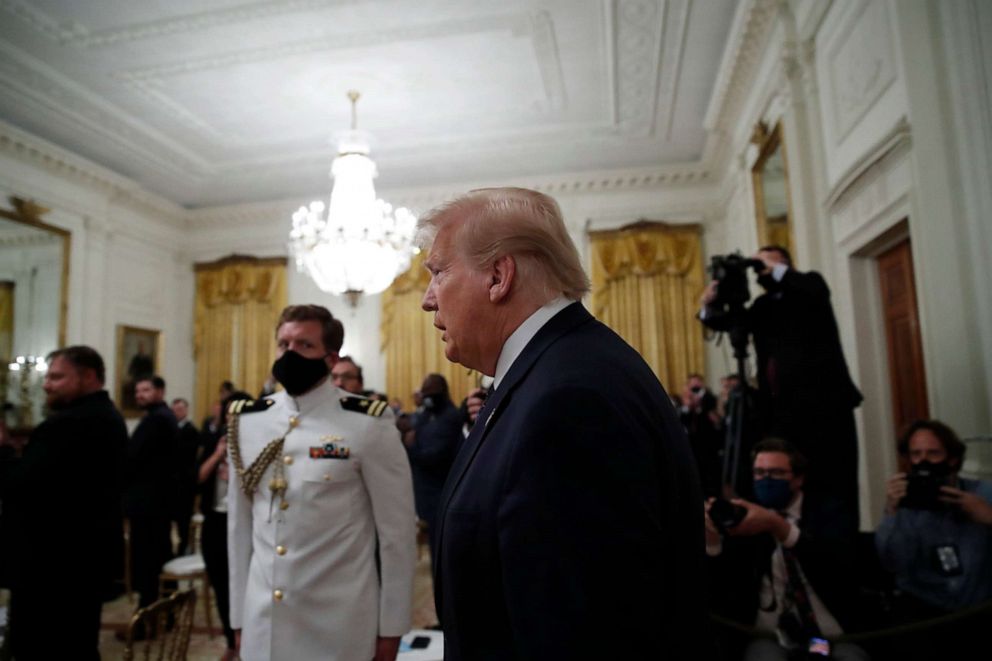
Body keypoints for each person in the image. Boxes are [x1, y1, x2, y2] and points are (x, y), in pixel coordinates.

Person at [417, 187, 704, 659]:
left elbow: (581, 635)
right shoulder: (555, 371)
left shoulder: (569, 398)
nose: (428, 300)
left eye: (438, 272)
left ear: (498, 275)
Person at [227, 304, 416, 661]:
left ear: (331, 358)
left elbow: (397, 534)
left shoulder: (367, 423)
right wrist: (238, 618)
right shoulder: (247, 422)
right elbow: (238, 531)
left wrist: (391, 628)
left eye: (304, 345)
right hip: (263, 621)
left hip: (338, 625)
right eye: (284, 344)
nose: (290, 354)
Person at [700, 245, 863, 534]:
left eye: (768, 262)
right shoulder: (764, 307)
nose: (760, 269)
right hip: (780, 413)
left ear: (785, 265)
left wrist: (770, 264)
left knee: (832, 486)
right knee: (783, 487)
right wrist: (708, 305)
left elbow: (810, 287)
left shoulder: (811, 287)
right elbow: (729, 323)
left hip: (825, 411)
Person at [0, 346, 127, 659]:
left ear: (87, 377)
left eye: (57, 377)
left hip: (51, 571)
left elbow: (18, 485)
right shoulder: (106, 415)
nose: (46, 384)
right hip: (81, 565)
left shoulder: (70, 423)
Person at [705, 438, 868, 661]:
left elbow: (836, 566)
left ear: (798, 479)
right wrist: (712, 540)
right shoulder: (746, 517)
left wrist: (778, 526)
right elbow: (725, 583)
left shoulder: (830, 513)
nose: (766, 480)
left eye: (776, 473)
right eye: (759, 473)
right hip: (769, 634)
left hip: (829, 632)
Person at [876, 419, 992, 616]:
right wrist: (892, 512)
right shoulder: (906, 502)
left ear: (952, 458)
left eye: (933, 453)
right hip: (925, 608)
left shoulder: (983, 492)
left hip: (979, 605)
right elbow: (893, 563)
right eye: (916, 454)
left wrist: (988, 516)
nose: (924, 461)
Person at [199, 389, 253, 661]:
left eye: (238, 414)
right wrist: (217, 456)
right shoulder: (215, 442)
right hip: (216, 522)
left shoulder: (257, 446)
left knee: (246, 586)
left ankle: (249, 642)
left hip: (246, 526)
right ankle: (231, 641)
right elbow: (198, 477)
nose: (232, 419)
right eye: (228, 414)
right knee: (221, 586)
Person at [124, 375, 179, 615]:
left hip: (150, 503)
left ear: (160, 391)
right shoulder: (160, 417)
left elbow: (133, 457)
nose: (139, 395)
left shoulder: (157, 419)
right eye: (137, 391)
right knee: (159, 556)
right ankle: (166, 611)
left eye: (145, 390)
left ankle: (148, 615)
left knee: (148, 561)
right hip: (157, 501)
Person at [402, 373, 461, 568]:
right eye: (424, 391)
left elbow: (432, 456)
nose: (426, 395)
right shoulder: (428, 413)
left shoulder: (451, 416)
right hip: (424, 492)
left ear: (441, 392)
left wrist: (411, 446)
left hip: (441, 492)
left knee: (441, 555)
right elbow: (414, 427)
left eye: (430, 392)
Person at [679, 373, 723, 498]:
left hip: (709, 442)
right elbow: (683, 421)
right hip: (694, 444)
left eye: (697, 382)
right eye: (691, 383)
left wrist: (699, 405)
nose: (694, 386)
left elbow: (714, 417)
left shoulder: (709, 398)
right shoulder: (687, 400)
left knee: (712, 472)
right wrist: (687, 406)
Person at [170, 396, 200, 555]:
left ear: (186, 410)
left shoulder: (192, 431)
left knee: (183, 521)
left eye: (180, 409)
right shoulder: (170, 428)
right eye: (174, 410)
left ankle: (183, 550)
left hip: (184, 483)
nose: (177, 412)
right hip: (172, 482)